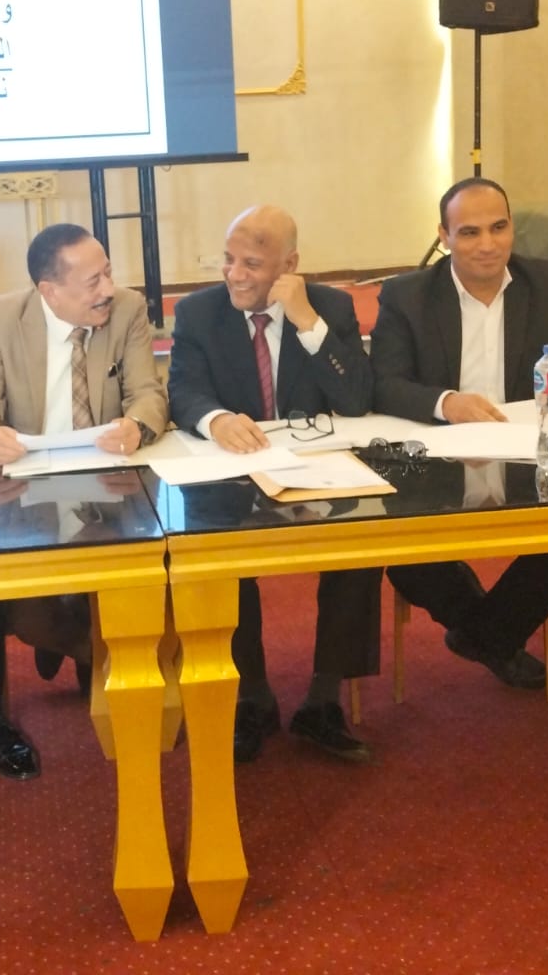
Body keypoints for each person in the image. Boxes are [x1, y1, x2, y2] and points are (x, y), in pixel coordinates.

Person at [372, 178, 548, 688]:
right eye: (469, 232)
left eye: (499, 227)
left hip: (528, 454)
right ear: (443, 235)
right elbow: (383, 383)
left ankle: (481, 636)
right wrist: (447, 402)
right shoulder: (407, 295)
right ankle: (494, 636)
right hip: (439, 456)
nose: (487, 244)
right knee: (409, 556)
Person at [0, 223, 168, 775]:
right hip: (29, 493)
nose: (108, 289)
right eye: (93, 281)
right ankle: (82, 644)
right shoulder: (2, 317)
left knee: (147, 573)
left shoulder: (127, 309)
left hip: (111, 487)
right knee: (17, 605)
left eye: (108, 273)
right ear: (49, 290)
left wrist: (137, 425)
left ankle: (91, 645)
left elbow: (148, 393)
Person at [166, 205, 380, 763]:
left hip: (317, 471)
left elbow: (356, 398)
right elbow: (183, 391)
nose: (234, 274)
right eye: (229, 260)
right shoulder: (198, 312)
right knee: (217, 552)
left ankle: (323, 700)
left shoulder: (328, 307)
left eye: (252, 265)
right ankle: (253, 697)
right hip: (233, 475)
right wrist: (216, 419)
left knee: (361, 544)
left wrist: (308, 323)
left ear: (289, 265)